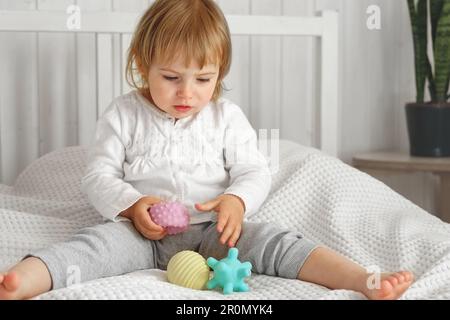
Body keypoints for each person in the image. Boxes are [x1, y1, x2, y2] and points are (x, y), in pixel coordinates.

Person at [0, 0, 413, 300]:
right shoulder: (123, 114)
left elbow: (253, 170)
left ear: (219, 74)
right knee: (90, 248)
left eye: (203, 79)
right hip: (142, 233)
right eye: (171, 76)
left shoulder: (225, 117)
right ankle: (20, 282)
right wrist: (132, 204)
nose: (187, 92)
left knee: (275, 242)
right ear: (143, 66)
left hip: (214, 229)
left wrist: (235, 200)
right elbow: (98, 175)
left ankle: (361, 279)